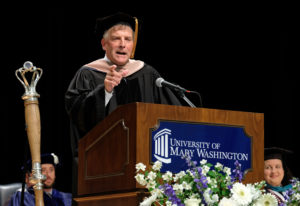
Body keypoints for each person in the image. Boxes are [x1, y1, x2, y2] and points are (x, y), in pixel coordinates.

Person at [65, 12, 182, 158]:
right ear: (104, 44)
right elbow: (78, 115)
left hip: (145, 157)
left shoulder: (148, 73)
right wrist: (104, 91)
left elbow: (172, 112)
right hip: (104, 161)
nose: (122, 44)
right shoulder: (88, 73)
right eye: (116, 39)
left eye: (128, 39)